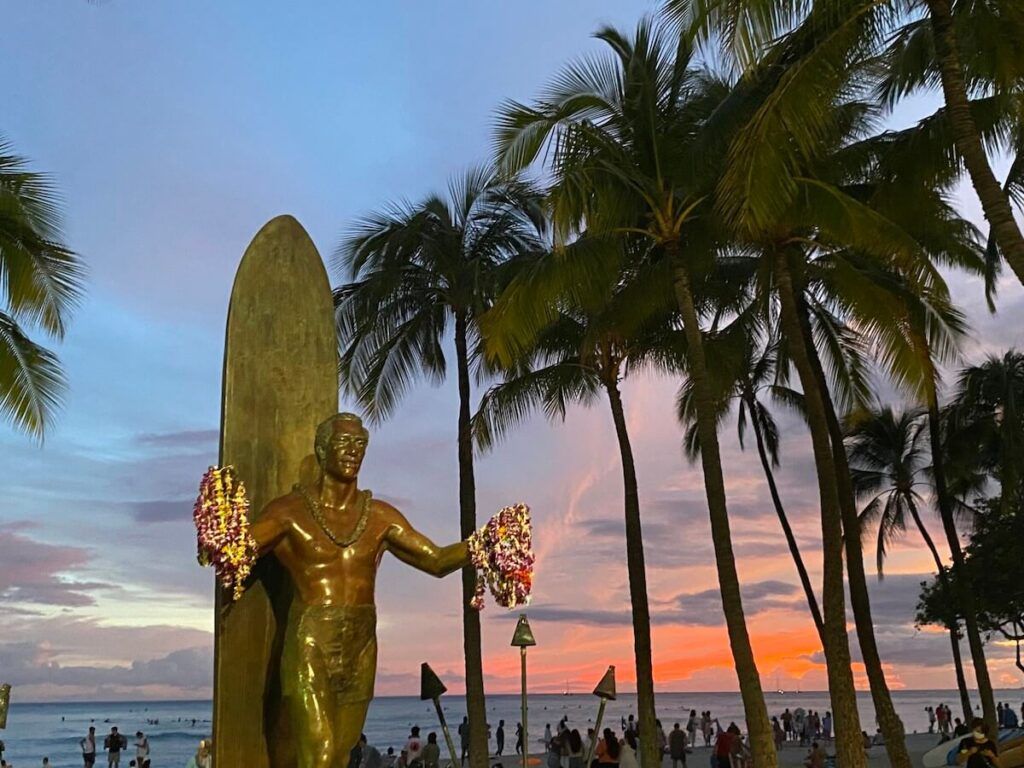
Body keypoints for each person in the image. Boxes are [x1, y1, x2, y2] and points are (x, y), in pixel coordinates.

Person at [248, 413, 473, 768]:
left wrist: (486, 543)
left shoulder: (379, 516)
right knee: (320, 755)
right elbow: (237, 550)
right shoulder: (290, 512)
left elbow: (437, 560)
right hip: (311, 640)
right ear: (322, 450)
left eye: (360, 443)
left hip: (362, 642)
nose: (354, 451)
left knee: (340, 753)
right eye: (344, 442)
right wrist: (217, 536)